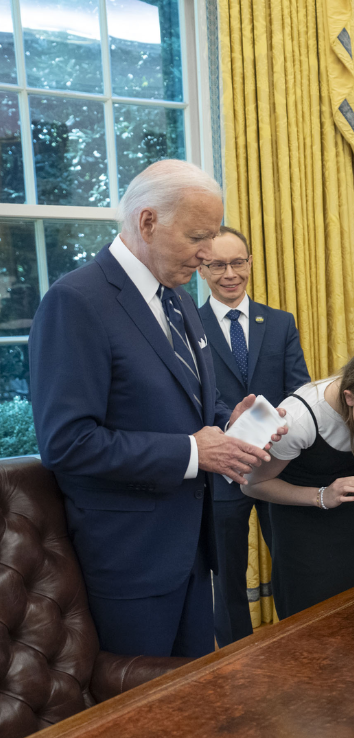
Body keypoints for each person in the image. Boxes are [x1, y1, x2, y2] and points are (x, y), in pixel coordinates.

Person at [27, 159, 280, 657]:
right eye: (198, 238)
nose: (209, 254)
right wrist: (191, 452)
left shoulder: (179, 298)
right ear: (147, 223)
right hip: (130, 558)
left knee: (190, 706)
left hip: (191, 549)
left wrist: (223, 424)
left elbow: (175, 403)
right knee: (138, 720)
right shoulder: (75, 302)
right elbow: (66, 443)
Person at [241, 341, 354, 618]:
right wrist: (321, 496)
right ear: (350, 398)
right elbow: (251, 484)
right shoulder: (297, 419)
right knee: (314, 628)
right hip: (306, 539)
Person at [197, 225, 311, 646]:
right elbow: (194, 397)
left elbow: (300, 388)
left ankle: (296, 644)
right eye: (218, 264)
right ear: (202, 268)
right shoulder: (190, 325)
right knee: (227, 574)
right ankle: (235, 658)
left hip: (277, 465)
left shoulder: (279, 323)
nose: (230, 273)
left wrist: (283, 425)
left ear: (250, 263)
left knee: (288, 562)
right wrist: (230, 428)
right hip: (222, 468)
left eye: (238, 262)